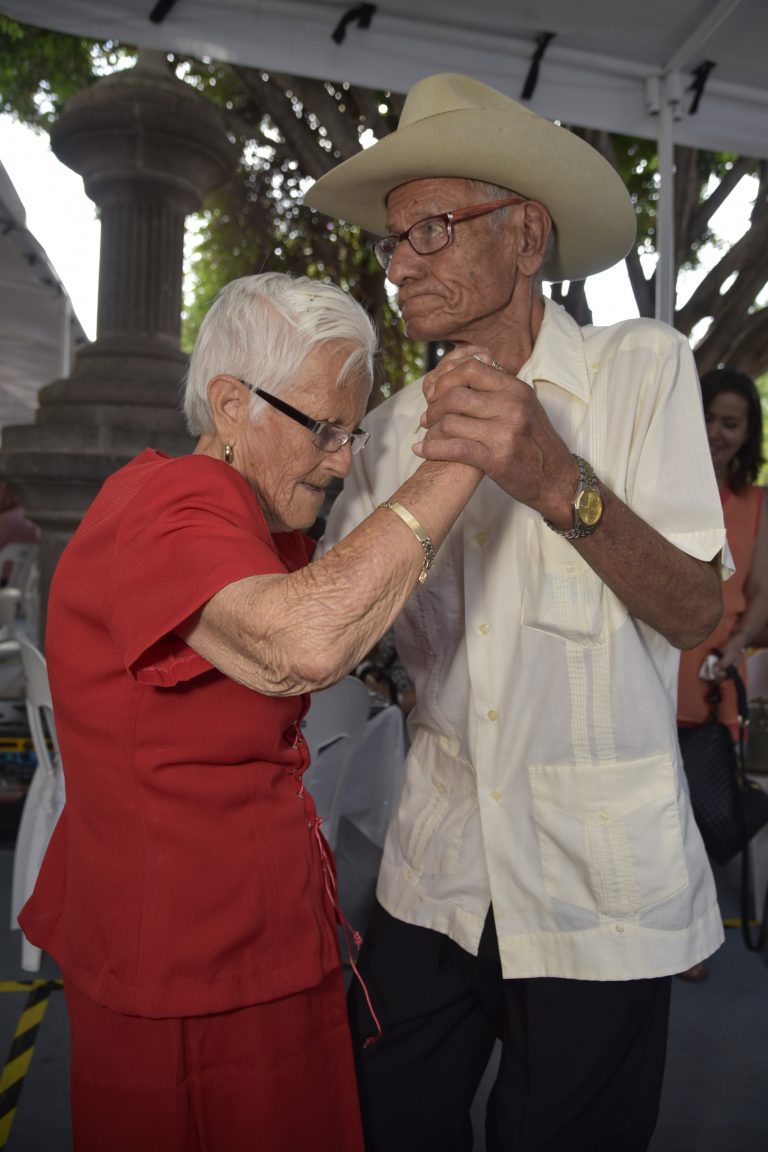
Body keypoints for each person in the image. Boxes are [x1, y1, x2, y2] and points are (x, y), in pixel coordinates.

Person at [306, 73, 727, 1152]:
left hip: (596, 886)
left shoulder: (643, 371)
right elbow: (342, 628)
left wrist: (558, 481)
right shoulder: (391, 433)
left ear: (527, 237)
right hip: (436, 866)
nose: (401, 262)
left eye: (433, 230)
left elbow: (696, 612)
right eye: (396, 240)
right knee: (381, 1113)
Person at [17, 272, 481, 1152]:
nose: (344, 460)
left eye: (355, 432)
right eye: (327, 430)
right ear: (232, 404)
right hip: (191, 959)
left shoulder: (234, 512)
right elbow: (300, 642)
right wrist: (459, 463)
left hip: (240, 935)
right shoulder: (172, 501)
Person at [676, 366, 768, 981]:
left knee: (710, 811)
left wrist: (736, 646)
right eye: (707, 417)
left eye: (729, 423)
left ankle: (693, 919)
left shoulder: (757, 502)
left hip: (713, 674)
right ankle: (679, 939)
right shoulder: (664, 484)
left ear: (748, 433)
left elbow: (760, 592)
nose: (714, 432)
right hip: (657, 664)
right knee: (658, 803)